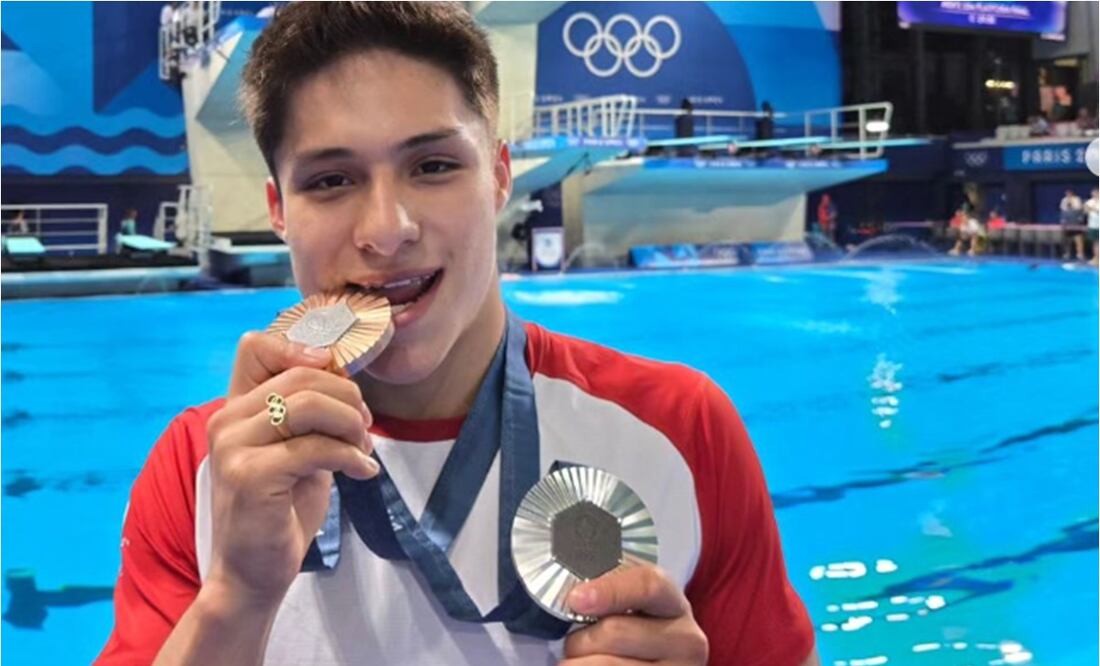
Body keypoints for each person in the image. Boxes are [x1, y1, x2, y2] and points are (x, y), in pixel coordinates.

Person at [95, 4, 818, 666]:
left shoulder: (681, 428)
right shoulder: (202, 465)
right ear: (279, 210)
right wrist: (235, 598)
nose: (387, 231)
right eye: (331, 181)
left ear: (500, 176)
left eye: (434, 166)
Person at [1059, 189, 1085, 261]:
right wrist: (1062, 220)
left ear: (1072, 193)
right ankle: (1066, 254)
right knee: (1067, 240)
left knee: (1078, 239)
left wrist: (1071, 203)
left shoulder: (1077, 199)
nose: (1068, 194)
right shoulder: (1064, 200)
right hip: (1067, 222)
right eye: (1066, 193)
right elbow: (1062, 210)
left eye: (1069, 193)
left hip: (1076, 222)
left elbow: (1079, 209)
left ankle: (1080, 255)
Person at [1085, 188, 1099, 266]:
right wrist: (1088, 208)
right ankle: (1096, 258)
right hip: (1093, 225)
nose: (1095, 194)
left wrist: (1093, 208)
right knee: (1095, 243)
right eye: (1094, 193)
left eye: (1097, 193)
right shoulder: (1089, 202)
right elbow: (1086, 211)